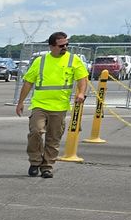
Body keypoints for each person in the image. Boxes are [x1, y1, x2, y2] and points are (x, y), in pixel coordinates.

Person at [15, 32, 89, 178]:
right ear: (52, 46)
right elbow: (28, 82)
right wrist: (20, 102)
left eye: (67, 44)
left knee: (53, 138)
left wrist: (81, 92)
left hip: (60, 107)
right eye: (61, 45)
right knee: (36, 131)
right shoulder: (40, 61)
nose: (65, 47)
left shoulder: (73, 60)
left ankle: (47, 167)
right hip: (40, 105)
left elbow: (82, 78)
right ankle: (35, 162)